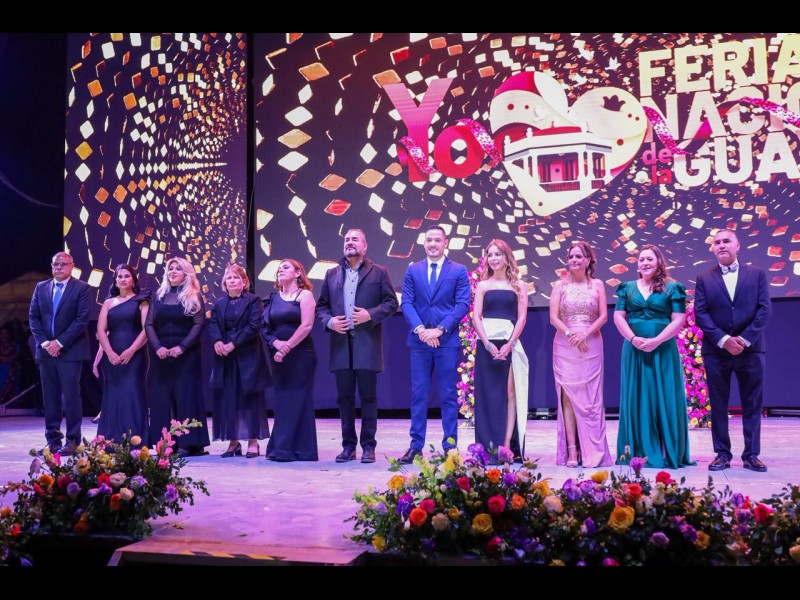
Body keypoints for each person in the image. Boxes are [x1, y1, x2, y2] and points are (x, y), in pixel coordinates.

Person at [315, 229, 398, 464]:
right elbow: (322, 306)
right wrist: (329, 322)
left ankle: (369, 446)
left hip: (367, 343)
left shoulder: (379, 272)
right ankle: (348, 446)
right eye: (347, 239)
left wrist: (370, 315)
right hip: (340, 343)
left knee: (368, 397)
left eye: (355, 239)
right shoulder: (332, 274)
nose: (349, 242)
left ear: (365, 245)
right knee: (344, 398)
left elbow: (392, 302)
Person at [694, 229, 772, 472]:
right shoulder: (704, 278)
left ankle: (751, 455)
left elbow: (764, 309)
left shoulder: (757, 274)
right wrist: (724, 339)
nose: (721, 245)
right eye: (716, 242)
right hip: (716, 351)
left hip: (751, 350)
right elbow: (700, 313)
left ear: (738, 245)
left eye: (726, 241)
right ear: (713, 248)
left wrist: (744, 339)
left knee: (753, 403)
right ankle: (722, 454)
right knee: (718, 404)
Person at [613, 244, 694, 469]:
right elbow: (619, 316)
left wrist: (657, 341)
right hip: (634, 349)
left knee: (664, 397)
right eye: (641, 259)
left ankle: (668, 451)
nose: (645, 263)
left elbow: (678, 319)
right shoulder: (627, 287)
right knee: (636, 396)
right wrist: (633, 339)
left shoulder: (673, 287)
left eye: (649, 259)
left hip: (663, 349)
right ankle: (636, 451)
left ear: (659, 261)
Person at [399, 224, 470, 463]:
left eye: (437, 240)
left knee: (448, 395)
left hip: (446, 340)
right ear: (423, 243)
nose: (432, 244)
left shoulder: (458, 270)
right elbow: (407, 303)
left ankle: (450, 446)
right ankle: (415, 446)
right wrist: (421, 330)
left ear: (445, 243)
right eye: (429, 240)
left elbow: (463, 304)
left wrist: (439, 329)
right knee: (419, 394)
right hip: (419, 341)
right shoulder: (413, 270)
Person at [549, 241, 613, 468]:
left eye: (578, 256)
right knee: (567, 396)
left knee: (591, 399)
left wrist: (585, 333)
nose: (574, 260)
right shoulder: (559, 286)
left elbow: (603, 316)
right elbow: (553, 317)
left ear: (588, 260)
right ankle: (572, 450)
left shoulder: (598, 285)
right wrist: (570, 333)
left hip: (591, 343)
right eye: (571, 257)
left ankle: (593, 452)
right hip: (565, 345)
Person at [145, 257, 211, 456]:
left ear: (186, 274)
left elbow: (198, 324)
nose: (172, 271)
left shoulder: (194, 296)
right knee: (161, 398)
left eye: (178, 269)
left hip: (186, 355)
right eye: (170, 268)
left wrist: (181, 347)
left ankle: (187, 443)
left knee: (186, 396)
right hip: (161, 355)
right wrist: (157, 347)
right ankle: (165, 442)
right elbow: (149, 324)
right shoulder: (158, 296)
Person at [28, 252, 92, 455]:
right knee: (50, 398)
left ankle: (72, 442)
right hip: (46, 351)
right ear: (51, 266)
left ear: (72, 266)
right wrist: (46, 343)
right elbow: (33, 317)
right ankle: (53, 441)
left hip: (70, 351)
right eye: (56, 264)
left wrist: (60, 343)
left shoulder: (82, 288)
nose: (59, 267)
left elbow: (81, 320)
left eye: (63, 264)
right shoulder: (41, 287)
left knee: (71, 397)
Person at [472, 239, 528, 463]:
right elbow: (476, 317)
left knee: (510, 393)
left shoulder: (519, 285)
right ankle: (487, 447)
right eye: (490, 254)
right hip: (487, 345)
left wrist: (510, 343)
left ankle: (505, 446)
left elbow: (522, 317)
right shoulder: (483, 285)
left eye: (498, 254)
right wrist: (487, 344)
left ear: (506, 257)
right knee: (487, 395)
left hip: (509, 344)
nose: (493, 258)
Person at [209, 265, 271, 459]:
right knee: (228, 398)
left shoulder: (254, 300)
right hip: (225, 357)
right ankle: (233, 442)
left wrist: (233, 343)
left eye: (236, 277)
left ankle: (253, 442)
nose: (232, 281)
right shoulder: (219, 303)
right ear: (224, 283)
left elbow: (254, 325)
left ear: (244, 282)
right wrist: (217, 341)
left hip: (247, 354)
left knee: (249, 397)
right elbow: (213, 324)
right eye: (229, 278)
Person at [262, 259, 319, 461]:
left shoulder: (305, 295)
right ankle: (281, 448)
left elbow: (306, 326)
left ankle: (301, 450)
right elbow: (265, 327)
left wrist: (287, 346)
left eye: (285, 267)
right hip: (277, 356)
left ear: (298, 273)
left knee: (298, 399)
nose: (280, 270)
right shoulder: (272, 298)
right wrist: (276, 343)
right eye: (279, 268)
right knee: (282, 400)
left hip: (301, 355)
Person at [96, 264, 151, 446]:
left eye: (127, 276)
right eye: (119, 276)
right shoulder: (108, 303)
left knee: (132, 394)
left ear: (134, 280)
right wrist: (109, 352)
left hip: (136, 356)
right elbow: (101, 330)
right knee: (112, 395)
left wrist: (131, 350)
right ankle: (111, 442)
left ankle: (136, 442)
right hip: (111, 357)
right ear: (115, 281)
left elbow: (146, 329)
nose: (123, 279)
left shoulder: (142, 300)